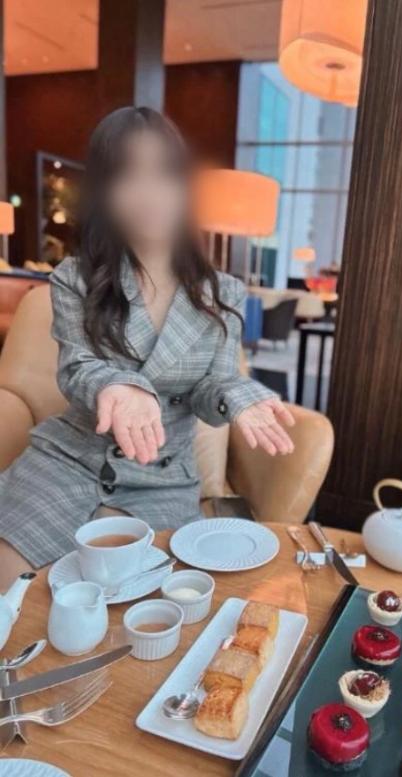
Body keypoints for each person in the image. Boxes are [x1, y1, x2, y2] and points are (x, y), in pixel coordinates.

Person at [0, 107, 295, 586]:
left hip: (161, 477)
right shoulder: (75, 278)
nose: (148, 191)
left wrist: (239, 396)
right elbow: (77, 366)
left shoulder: (223, 292)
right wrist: (120, 387)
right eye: (126, 174)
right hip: (70, 458)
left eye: (162, 171)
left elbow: (212, 387)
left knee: (136, 597)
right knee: (12, 589)